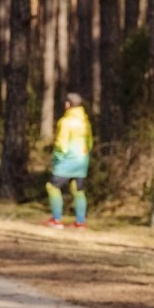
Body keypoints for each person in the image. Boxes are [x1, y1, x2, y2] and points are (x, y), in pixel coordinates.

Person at [44, 93, 94, 228]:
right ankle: (80, 222)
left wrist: (56, 159)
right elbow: (89, 143)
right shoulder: (85, 122)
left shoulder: (65, 122)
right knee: (78, 190)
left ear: (68, 104)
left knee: (52, 187)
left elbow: (61, 144)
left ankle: (56, 219)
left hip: (67, 161)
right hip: (82, 161)